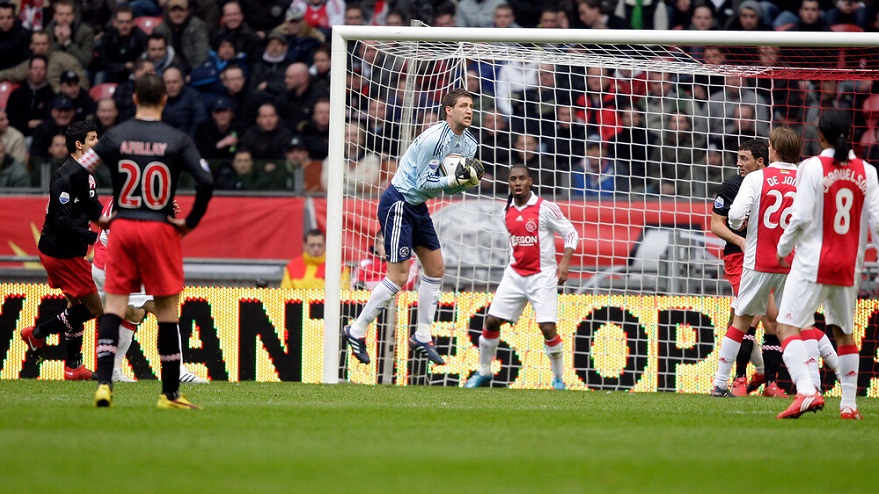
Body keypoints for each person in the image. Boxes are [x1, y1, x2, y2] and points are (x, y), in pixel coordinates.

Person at [76, 72, 214, 409]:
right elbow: (206, 181)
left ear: (134, 98)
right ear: (165, 100)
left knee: (117, 307)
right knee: (165, 308)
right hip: (157, 231)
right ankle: (170, 391)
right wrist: (188, 223)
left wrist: (98, 217)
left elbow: (77, 172)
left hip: (122, 230)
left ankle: (105, 383)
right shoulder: (176, 138)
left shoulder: (117, 137)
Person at [343, 88, 484, 366]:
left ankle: (422, 335)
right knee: (398, 277)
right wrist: (453, 181)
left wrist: (464, 182)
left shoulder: (469, 145)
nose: (469, 111)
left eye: (471, 106)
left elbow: (448, 189)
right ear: (449, 110)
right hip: (398, 202)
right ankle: (356, 330)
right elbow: (422, 183)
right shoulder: (434, 139)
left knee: (436, 268)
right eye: (464, 106)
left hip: (418, 206)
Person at [774, 109, 879, 420]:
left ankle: (807, 392)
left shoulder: (812, 167)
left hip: (811, 263)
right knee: (844, 332)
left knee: (787, 325)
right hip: (848, 265)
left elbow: (802, 216)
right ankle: (849, 406)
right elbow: (876, 221)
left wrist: (783, 247)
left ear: (819, 134)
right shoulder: (867, 172)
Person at [464, 164, 578, 389]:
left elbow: (571, 232)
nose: (517, 182)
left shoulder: (545, 208)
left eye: (522, 178)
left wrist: (564, 262)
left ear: (530, 181)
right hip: (515, 274)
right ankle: (484, 371)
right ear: (509, 183)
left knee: (547, 328)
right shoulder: (505, 210)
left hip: (542, 276)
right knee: (492, 321)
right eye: (513, 179)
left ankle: (558, 379)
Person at [711, 129, 803, 398]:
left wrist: (742, 227)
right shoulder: (804, 178)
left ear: (771, 151)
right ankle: (809, 386)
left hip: (757, 259)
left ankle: (721, 382)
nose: (738, 163)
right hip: (789, 262)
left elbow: (736, 216)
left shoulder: (758, 178)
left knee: (742, 320)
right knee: (794, 324)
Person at [91, 198, 210, 384]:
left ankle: (112, 370)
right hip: (114, 264)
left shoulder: (129, 196)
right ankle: (178, 370)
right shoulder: (131, 201)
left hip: (106, 262)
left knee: (133, 313)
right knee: (163, 306)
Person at [20, 121, 104, 381]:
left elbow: (92, 207)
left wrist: (113, 222)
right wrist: (95, 237)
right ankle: (37, 333)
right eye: (92, 138)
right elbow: (61, 220)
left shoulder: (84, 173)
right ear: (79, 145)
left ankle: (73, 367)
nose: (97, 143)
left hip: (63, 250)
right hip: (62, 253)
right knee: (95, 308)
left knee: (74, 304)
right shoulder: (66, 176)